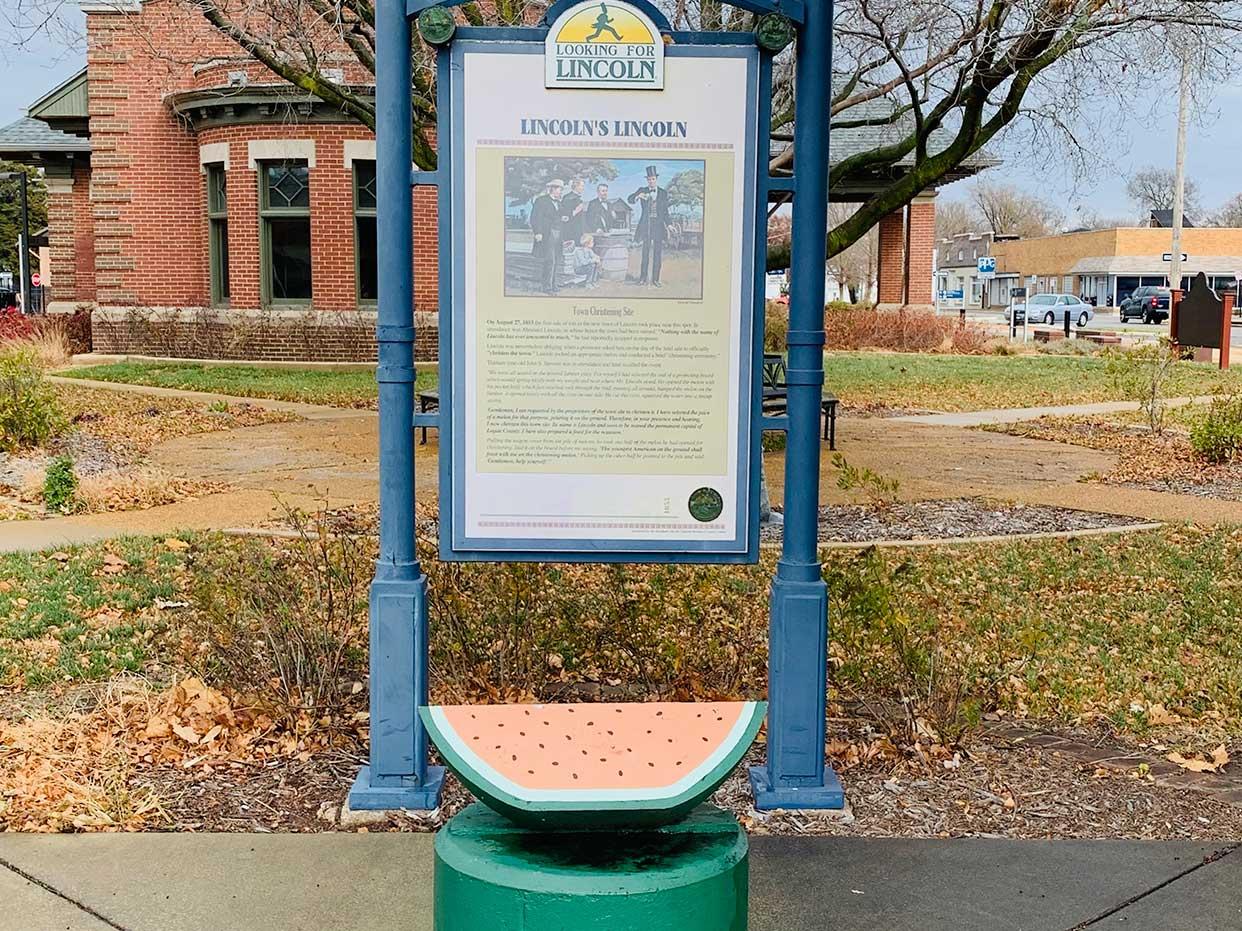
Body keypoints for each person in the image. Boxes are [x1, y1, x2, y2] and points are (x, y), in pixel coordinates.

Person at [627, 165, 670, 287]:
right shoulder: (642, 190)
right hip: (646, 225)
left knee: (657, 253)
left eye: (653, 179)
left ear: (656, 179)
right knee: (645, 253)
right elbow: (629, 199)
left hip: (658, 226)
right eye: (649, 179)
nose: (651, 181)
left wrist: (670, 224)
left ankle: (656, 279)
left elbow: (665, 212)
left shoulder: (663, 193)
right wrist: (637, 196)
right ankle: (642, 278)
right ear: (647, 180)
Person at [529, 179, 564, 293]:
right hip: (547, 234)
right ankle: (546, 287)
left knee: (556, 260)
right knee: (549, 261)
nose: (561, 191)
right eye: (559, 189)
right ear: (552, 189)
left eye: (562, 189)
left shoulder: (559, 202)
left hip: (558, 234)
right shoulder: (541, 201)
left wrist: (563, 218)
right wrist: (538, 232)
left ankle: (553, 285)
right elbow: (535, 217)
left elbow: (557, 217)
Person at [560, 178, 587, 257]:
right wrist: (575, 211)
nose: (583, 188)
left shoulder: (577, 198)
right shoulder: (568, 198)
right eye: (582, 186)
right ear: (576, 186)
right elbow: (564, 215)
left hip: (578, 230)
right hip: (571, 231)